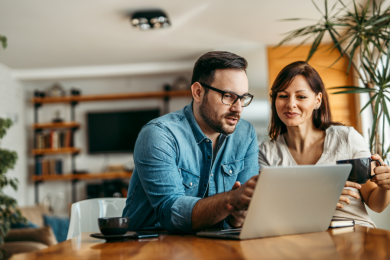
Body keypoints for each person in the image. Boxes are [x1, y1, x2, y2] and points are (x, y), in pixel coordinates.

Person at [122, 51, 260, 233]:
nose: (238, 108)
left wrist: (239, 216)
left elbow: (244, 212)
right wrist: (230, 200)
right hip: (151, 246)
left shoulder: (246, 133)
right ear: (198, 92)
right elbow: (169, 212)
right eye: (228, 96)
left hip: (217, 245)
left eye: (243, 98)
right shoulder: (159, 134)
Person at [258, 61, 390, 227]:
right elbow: (268, 211)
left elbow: (375, 204)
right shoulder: (266, 152)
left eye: (301, 96)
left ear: (318, 100)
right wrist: (314, 197)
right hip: (299, 237)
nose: (291, 104)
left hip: (354, 233)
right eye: (283, 96)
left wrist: (386, 187)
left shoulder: (346, 138)